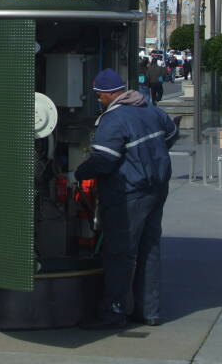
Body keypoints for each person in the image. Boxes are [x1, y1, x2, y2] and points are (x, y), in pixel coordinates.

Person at [75, 68, 177, 329]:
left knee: (120, 254)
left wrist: (81, 171)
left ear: (110, 94)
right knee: (149, 249)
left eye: (99, 95)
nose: (98, 100)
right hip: (157, 188)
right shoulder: (150, 109)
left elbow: (105, 160)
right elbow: (171, 134)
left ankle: (114, 312)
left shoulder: (114, 120)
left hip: (130, 193)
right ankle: (149, 312)